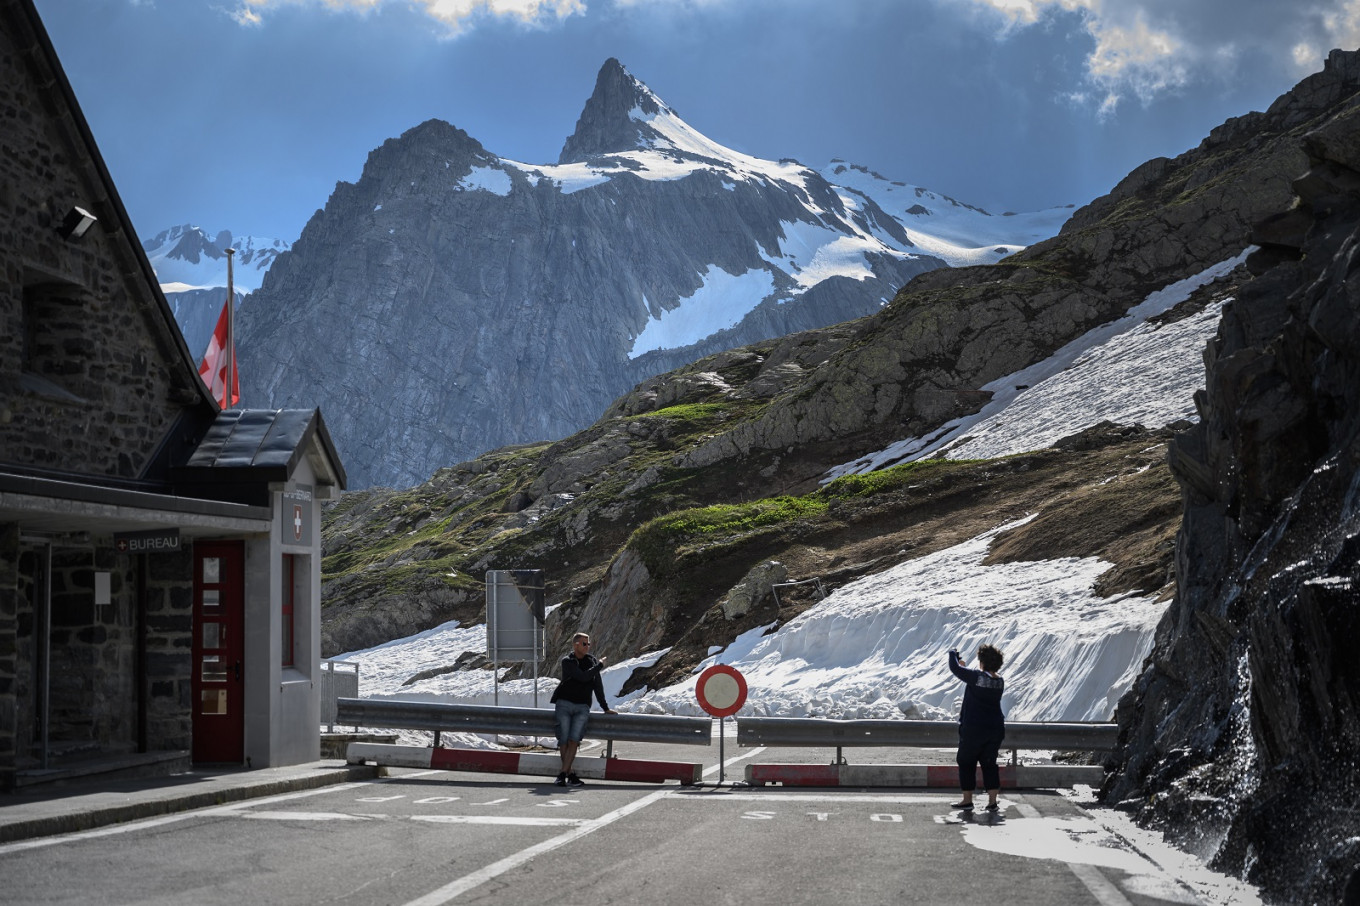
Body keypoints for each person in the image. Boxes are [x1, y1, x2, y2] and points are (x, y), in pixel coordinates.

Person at [549, 631, 615, 787]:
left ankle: (563, 774)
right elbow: (582, 677)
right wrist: (599, 665)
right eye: (584, 643)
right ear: (575, 644)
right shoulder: (568, 661)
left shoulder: (591, 661)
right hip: (564, 703)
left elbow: (597, 686)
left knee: (574, 740)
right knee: (563, 740)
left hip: (582, 706)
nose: (587, 646)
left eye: (589, 643)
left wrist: (605, 707)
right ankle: (569, 774)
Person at [947, 643, 1006, 812]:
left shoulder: (976, 677)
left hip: (974, 730)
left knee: (966, 762)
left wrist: (953, 654)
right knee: (989, 764)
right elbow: (977, 678)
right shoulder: (999, 681)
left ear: (982, 662)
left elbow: (954, 668)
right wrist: (963, 667)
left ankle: (967, 800)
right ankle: (992, 802)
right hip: (995, 729)